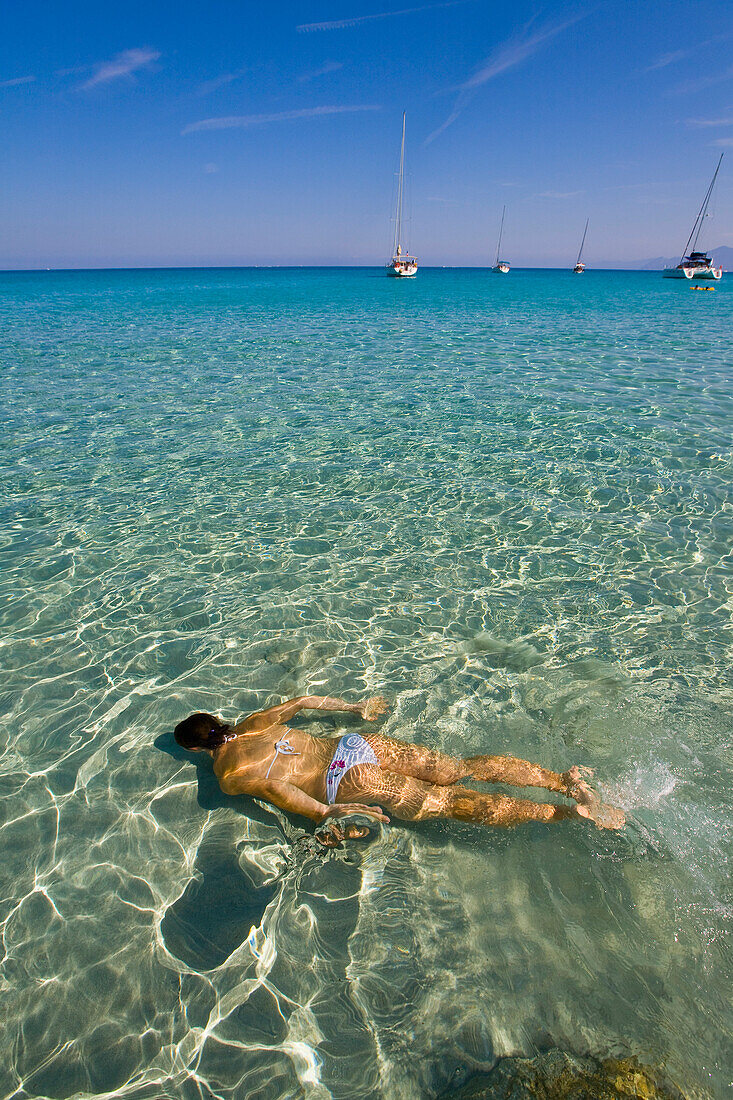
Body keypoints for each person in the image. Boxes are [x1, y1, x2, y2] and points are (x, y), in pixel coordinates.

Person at [173, 694, 625, 846]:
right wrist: (353, 707)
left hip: (343, 780)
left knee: (448, 803)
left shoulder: (227, 777)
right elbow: (303, 702)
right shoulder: (254, 722)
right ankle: (562, 782)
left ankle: (567, 814)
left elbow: (277, 790)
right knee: (459, 769)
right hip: (357, 744)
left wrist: (324, 815)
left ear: (196, 749)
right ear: (216, 722)